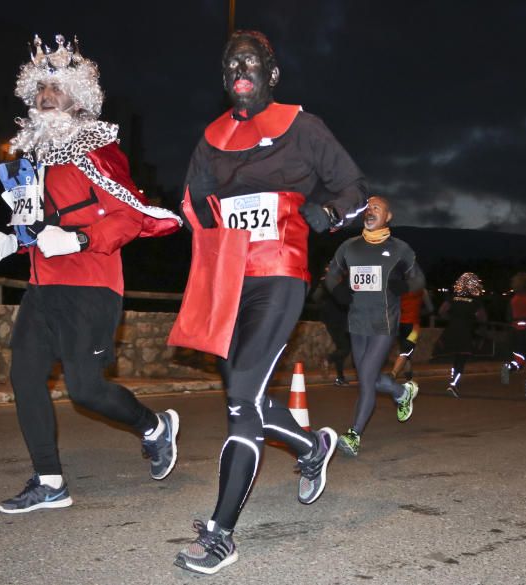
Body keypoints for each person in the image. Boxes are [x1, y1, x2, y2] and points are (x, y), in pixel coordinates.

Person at [172, 30, 367, 574]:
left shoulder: (303, 127)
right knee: (246, 398)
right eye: (230, 62)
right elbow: (194, 201)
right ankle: (310, 447)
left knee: (239, 402)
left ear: (271, 74)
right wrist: (202, 221)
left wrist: (327, 214)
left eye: (250, 61)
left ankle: (220, 535)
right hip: (228, 279)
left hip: (279, 275)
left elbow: (352, 188)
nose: (239, 68)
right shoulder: (211, 138)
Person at [0, 35, 183, 514]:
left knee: (86, 389)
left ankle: (154, 427)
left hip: (91, 285)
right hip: (42, 287)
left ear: (79, 96)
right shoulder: (33, 159)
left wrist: (81, 239)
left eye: (58, 86)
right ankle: (50, 482)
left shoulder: (97, 150)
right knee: (24, 377)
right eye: (40, 87)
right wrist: (14, 241)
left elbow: (130, 215)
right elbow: (36, 224)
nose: (47, 94)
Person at [325, 196, 425, 456]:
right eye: (368, 208)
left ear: (388, 216)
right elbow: (331, 276)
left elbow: (418, 280)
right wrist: (338, 291)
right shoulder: (349, 247)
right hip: (357, 322)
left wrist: (403, 286)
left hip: (384, 323)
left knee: (366, 381)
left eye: (377, 208)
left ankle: (354, 435)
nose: (370, 211)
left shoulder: (400, 249)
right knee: (366, 378)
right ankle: (402, 392)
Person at [438, 272, 488, 398]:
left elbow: (441, 311)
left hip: (451, 331)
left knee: (456, 358)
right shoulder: (475, 301)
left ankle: (453, 381)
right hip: (465, 332)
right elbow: (482, 318)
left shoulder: (453, 297)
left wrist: (451, 318)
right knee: (461, 360)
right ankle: (453, 385)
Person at [312, 266, 352, 386]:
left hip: (337, 319)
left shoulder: (327, 283)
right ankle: (328, 360)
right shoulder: (335, 284)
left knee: (341, 347)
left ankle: (340, 378)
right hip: (337, 320)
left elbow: (315, 298)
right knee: (345, 348)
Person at [390, 287, 433, 382]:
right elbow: (430, 309)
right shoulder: (422, 291)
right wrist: (418, 312)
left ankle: (409, 380)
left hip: (399, 326)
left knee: (406, 354)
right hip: (414, 327)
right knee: (406, 351)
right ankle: (393, 374)